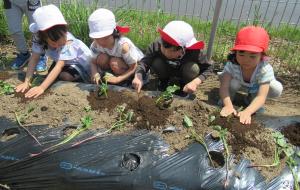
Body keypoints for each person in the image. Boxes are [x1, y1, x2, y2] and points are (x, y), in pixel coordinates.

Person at [15, 4, 92, 98]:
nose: (57, 46)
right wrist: (26, 82)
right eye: (54, 43)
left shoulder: (68, 42)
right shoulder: (39, 38)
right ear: (43, 38)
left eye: (59, 43)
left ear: (64, 30)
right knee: (51, 75)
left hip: (82, 66)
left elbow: (59, 66)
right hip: (64, 63)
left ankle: (78, 84)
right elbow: (34, 58)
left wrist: (42, 88)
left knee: (64, 76)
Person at [219, 26, 283, 124]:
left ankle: (250, 100)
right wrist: (228, 105)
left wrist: (248, 111)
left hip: (255, 86)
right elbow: (224, 86)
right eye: (241, 54)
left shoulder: (264, 69)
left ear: (262, 55)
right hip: (238, 82)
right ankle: (229, 100)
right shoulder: (232, 64)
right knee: (232, 84)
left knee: (276, 88)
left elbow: (261, 96)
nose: (246, 60)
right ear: (235, 52)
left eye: (252, 56)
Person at [132, 20, 212, 95]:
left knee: (193, 69)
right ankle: (163, 82)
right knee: (156, 62)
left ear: (183, 49)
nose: (166, 53)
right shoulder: (157, 45)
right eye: (163, 49)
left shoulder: (194, 52)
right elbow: (144, 62)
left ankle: (183, 86)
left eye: (171, 51)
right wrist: (138, 76)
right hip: (166, 68)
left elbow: (209, 68)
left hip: (183, 71)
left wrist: (195, 82)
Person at [88, 8, 144, 86]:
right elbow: (93, 62)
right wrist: (95, 73)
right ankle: (109, 76)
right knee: (101, 58)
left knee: (114, 63)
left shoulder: (123, 46)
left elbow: (134, 66)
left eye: (105, 38)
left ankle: (126, 81)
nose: (101, 42)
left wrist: (118, 79)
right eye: (97, 39)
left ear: (113, 33)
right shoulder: (95, 45)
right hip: (116, 64)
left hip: (137, 71)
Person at [3, 0, 47, 72]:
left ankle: (41, 55)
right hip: (10, 2)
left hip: (31, 1)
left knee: (36, 29)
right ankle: (24, 54)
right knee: (14, 30)